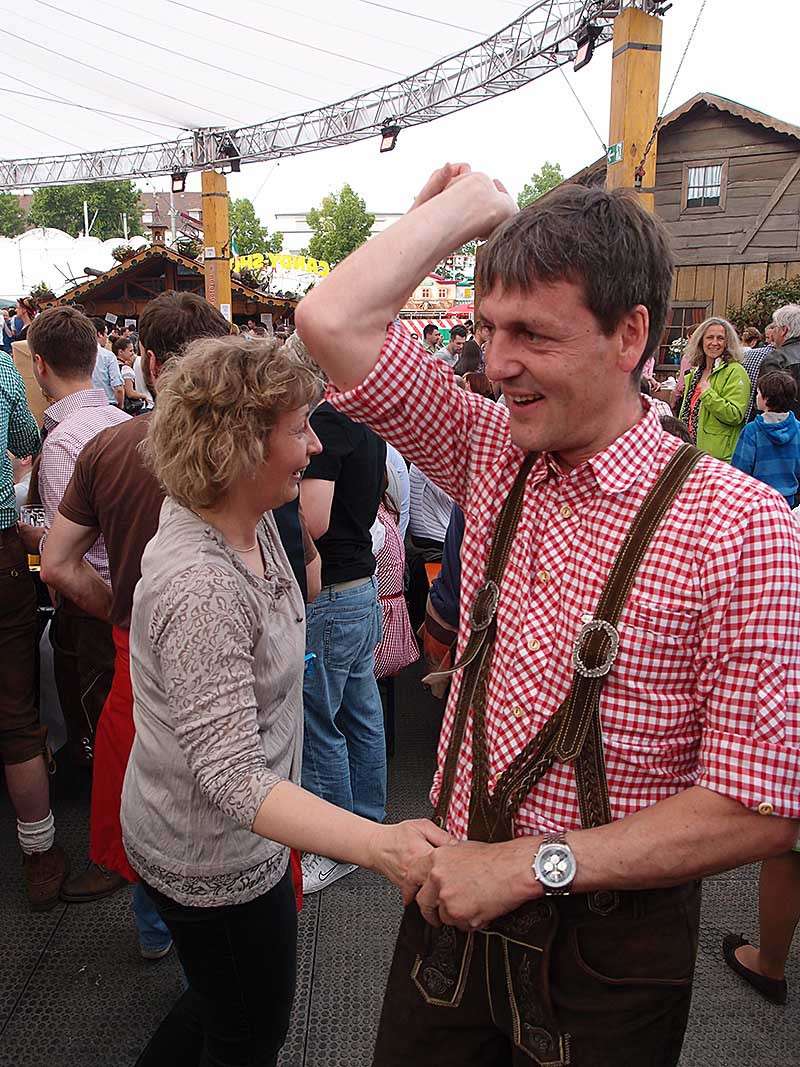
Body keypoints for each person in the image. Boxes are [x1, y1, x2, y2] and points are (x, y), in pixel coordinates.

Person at [295, 164, 800, 1066]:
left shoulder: (741, 524)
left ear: (630, 335)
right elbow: (331, 319)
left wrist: (532, 864)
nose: (496, 363)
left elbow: (762, 805)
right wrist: (466, 211)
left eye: (532, 332)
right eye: (489, 329)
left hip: (607, 953)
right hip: (450, 912)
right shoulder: (493, 446)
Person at [120, 335, 447, 1066]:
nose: (314, 444)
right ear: (238, 446)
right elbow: (233, 777)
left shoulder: (239, 513)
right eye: (299, 429)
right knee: (247, 1029)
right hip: (212, 860)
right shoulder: (201, 588)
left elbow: (312, 335)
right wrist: (379, 844)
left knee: (221, 1002)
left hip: (219, 837)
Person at [41, 293, 231, 951]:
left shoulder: (109, 447)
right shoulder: (253, 445)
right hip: (232, 650)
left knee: (148, 790)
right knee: (232, 789)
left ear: (148, 362)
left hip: (136, 649)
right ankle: (223, 939)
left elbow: (57, 564)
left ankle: (157, 929)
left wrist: (119, 605)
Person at [18, 308, 129, 797]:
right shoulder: (121, 420)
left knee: (100, 727)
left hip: (94, 609)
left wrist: (34, 539)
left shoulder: (64, 440)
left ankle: (107, 827)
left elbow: (67, 556)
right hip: (126, 592)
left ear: (40, 365)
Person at [299, 396, 388, 893]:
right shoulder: (364, 419)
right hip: (359, 587)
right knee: (360, 709)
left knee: (320, 720)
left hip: (331, 592)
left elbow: (314, 520)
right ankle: (367, 823)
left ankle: (335, 847)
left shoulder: (329, 421)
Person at [0, 346, 65, 911]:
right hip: (1, 552)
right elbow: (25, 439)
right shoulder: (1, 367)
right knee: (16, 711)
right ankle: (39, 853)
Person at [677, 316, 750, 461]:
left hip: (717, 458)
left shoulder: (735, 371)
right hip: (690, 452)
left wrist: (708, 394)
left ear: (727, 343)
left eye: (720, 338)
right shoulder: (695, 373)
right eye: (710, 337)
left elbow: (735, 415)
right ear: (700, 341)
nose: (714, 343)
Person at [732, 370, 800, 507]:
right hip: (788, 501)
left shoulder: (752, 430)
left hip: (758, 501)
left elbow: (740, 470)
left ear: (766, 399)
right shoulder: (798, 429)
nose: (756, 396)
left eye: (758, 393)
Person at [758, 303, 800, 418]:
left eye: (774, 327)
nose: (772, 332)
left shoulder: (776, 359)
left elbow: (769, 401)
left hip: (783, 425)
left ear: (784, 330)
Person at [91, 318, 124, 407]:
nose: (107, 337)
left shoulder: (78, 355)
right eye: (105, 333)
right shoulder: (108, 356)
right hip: (107, 404)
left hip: (85, 406)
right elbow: (118, 388)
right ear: (99, 334)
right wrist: (120, 407)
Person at [112, 336, 150, 414]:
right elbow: (130, 393)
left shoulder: (112, 367)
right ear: (120, 352)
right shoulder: (126, 369)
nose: (133, 353)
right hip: (126, 408)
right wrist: (143, 396)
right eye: (130, 351)